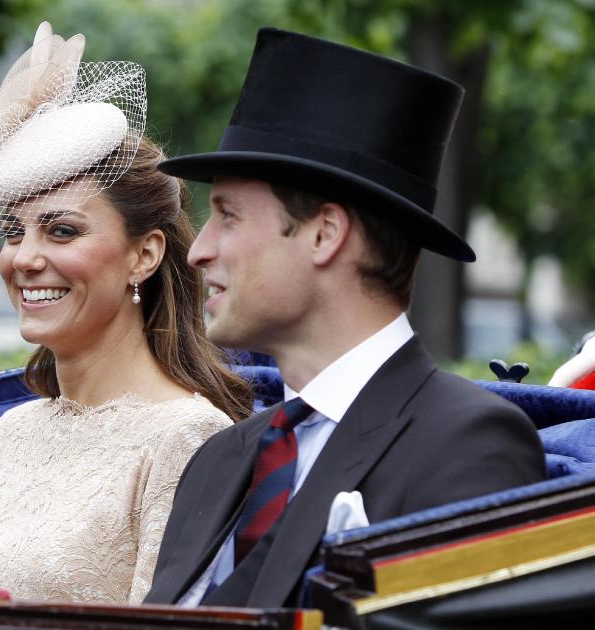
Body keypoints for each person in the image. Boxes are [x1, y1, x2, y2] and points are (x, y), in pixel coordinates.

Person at [143, 28, 547, 608]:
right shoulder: (218, 460)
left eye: (228, 216)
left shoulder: (467, 446)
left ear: (325, 234)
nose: (198, 250)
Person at [0, 22, 254, 604]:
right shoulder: (16, 432)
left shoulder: (188, 437)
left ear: (144, 254)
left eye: (62, 231)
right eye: (14, 232)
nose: (26, 258)